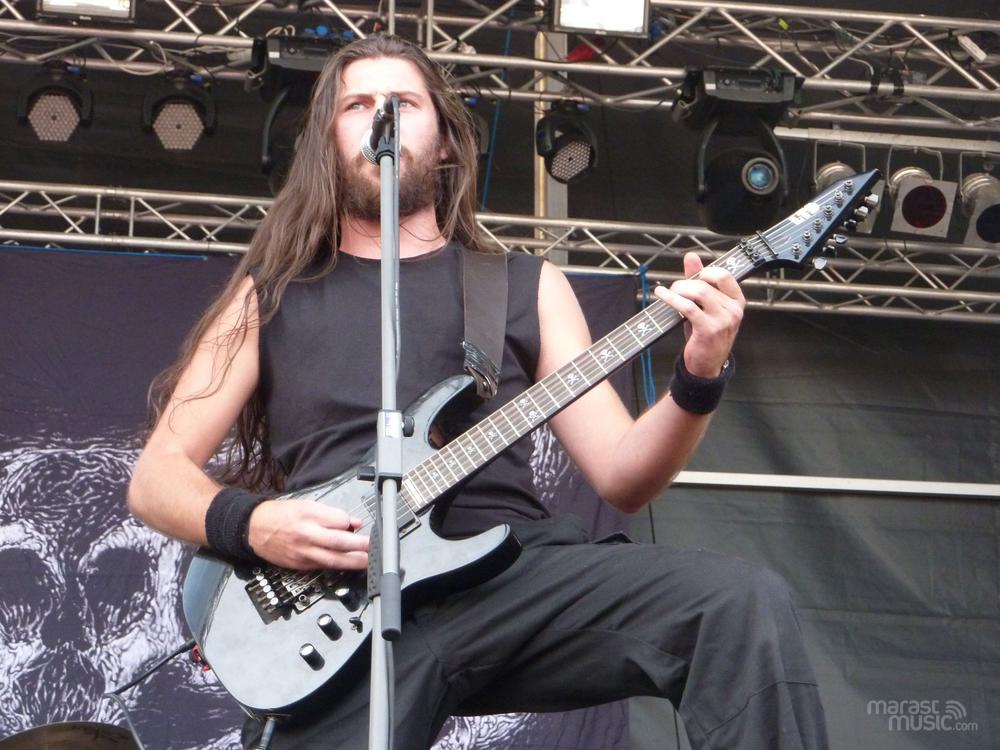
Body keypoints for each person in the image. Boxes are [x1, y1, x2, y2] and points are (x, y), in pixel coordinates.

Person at [127, 34, 829, 750]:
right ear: (326, 141)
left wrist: (698, 376)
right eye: (357, 105)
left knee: (736, 603)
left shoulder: (524, 285)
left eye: (403, 102)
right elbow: (156, 480)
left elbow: (624, 476)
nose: (382, 117)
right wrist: (255, 525)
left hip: (511, 578)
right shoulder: (270, 297)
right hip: (345, 598)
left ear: (444, 139)